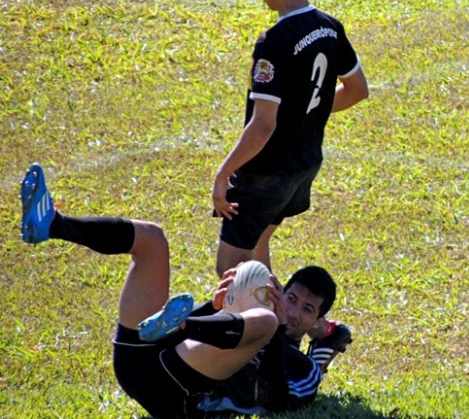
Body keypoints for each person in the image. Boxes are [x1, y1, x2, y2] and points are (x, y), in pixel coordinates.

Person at [20, 162, 352, 418]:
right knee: (152, 239)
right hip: (140, 363)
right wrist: (214, 307)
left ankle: (185, 323)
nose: (292, 311)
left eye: (307, 309)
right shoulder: (243, 319)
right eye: (291, 298)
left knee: (263, 323)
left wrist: (276, 329)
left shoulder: (304, 369)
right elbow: (170, 338)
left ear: (316, 322)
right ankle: (52, 224)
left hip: (179, 396)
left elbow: (276, 401)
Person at [212, 0, 369, 275]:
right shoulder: (330, 27)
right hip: (304, 165)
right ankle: (278, 311)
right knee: (257, 251)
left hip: (265, 174)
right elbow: (357, 90)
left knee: (231, 272)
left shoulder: (274, 43)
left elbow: (263, 125)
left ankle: (262, 311)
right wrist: (307, 111)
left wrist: (223, 174)